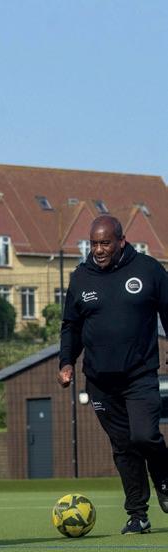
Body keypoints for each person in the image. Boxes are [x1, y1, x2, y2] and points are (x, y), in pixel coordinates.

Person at [58, 215, 168, 534]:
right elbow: (71, 326)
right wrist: (66, 362)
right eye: (94, 244)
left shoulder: (149, 270)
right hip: (100, 383)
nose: (98, 250)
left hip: (140, 376)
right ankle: (137, 515)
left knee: (144, 435)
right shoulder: (81, 277)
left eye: (105, 243)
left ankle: (164, 479)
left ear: (121, 241)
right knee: (123, 446)